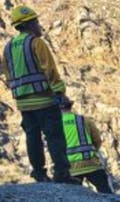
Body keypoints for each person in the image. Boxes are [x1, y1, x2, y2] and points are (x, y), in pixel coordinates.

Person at [1, 5, 74, 184]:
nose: (39, 25)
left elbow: (8, 74)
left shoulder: (8, 47)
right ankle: (62, 173)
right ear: (30, 24)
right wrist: (60, 93)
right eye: (36, 22)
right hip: (44, 100)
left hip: (23, 103)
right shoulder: (36, 43)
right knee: (54, 136)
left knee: (33, 138)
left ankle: (39, 173)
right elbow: (49, 69)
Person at [59, 96, 112, 193]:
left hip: (71, 167)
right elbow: (97, 140)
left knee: (72, 196)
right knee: (105, 190)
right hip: (91, 163)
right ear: (70, 106)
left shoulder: (56, 124)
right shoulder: (84, 120)